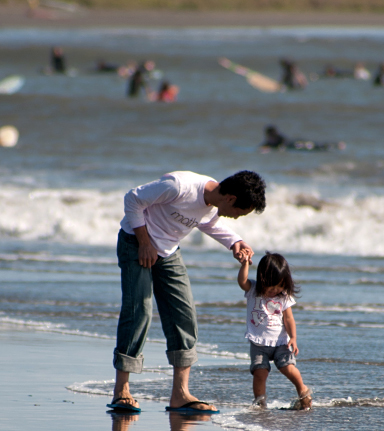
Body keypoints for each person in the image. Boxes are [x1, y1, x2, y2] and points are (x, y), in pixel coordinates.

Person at [108, 170, 266, 415]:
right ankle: (122, 391)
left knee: (184, 314)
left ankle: (180, 394)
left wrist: (235, 241)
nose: (237, 217)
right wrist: (144, 242)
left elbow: (206, 222)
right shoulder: (178, 186)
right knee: (139, 311)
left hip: (169, 251)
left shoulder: (212, 203)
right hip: (135, 242)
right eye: (240, 213)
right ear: (232, 199)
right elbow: (133, 199)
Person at [237, 252, 312, 410]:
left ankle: (302, 390)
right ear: (262, 279)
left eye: (279, 286)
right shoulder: (253, 289)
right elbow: (242, 281)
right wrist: (244, 264)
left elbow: (289, 319)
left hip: (281, 342)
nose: (275, 290)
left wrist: (293, 337)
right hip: (258, 342)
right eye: (271, 287)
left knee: (288, 368)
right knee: (259, 373)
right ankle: (260, 403)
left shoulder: (283, 296)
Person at [261, 125, 345, 153]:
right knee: (316, 146)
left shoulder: (280, 140)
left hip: (297, 145)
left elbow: (281, 147)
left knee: (316, 146)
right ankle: (335, 145)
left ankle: (335, 145)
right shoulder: (272, 142)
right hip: (297, 144)